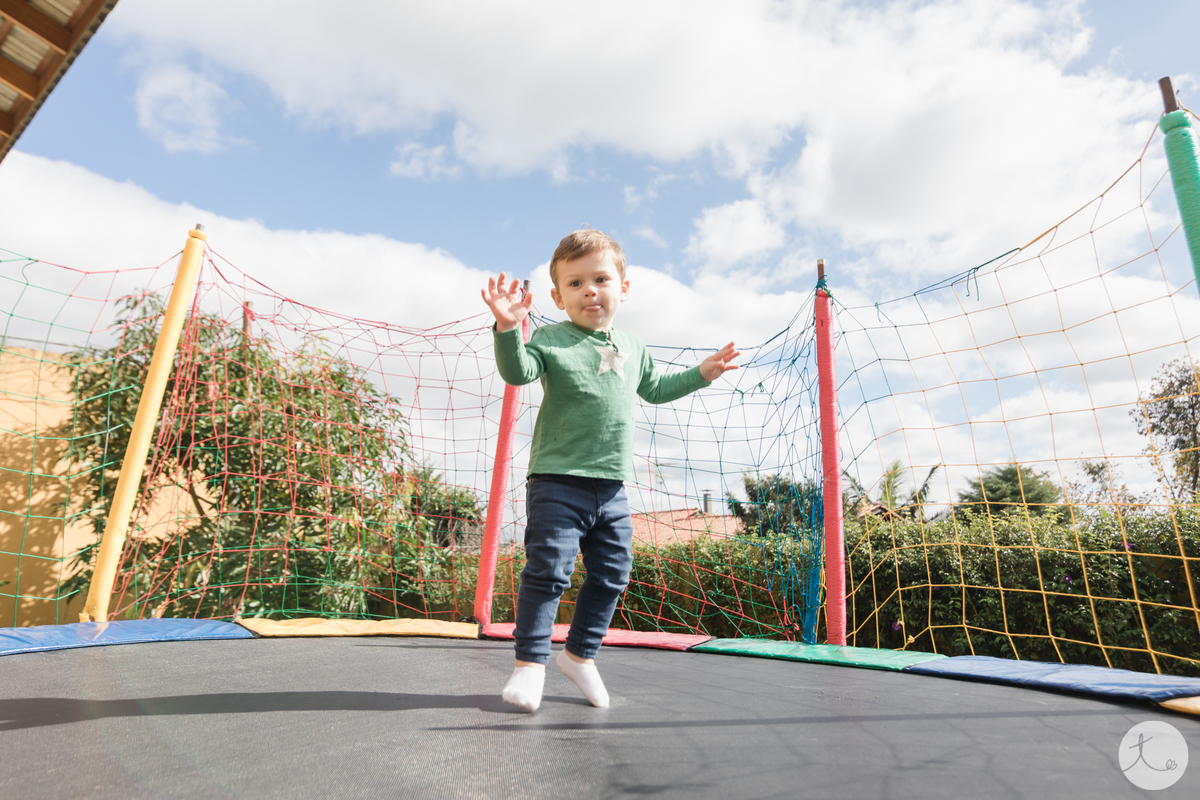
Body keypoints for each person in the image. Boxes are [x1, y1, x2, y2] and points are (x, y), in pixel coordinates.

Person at [481, 229, 740, 712]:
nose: (589, 291)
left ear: (623, 286)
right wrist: (505, 330)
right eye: (575, 284)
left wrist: (701, 374)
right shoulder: (550, 338)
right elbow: (517, 373)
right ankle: (530, 665)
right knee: (548, 571)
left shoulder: (634, 345)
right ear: (557, 298)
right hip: (557, 481)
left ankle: (580, 655)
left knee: (615, 572)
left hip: (611, 488)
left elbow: (657, 388)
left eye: (600, 279)